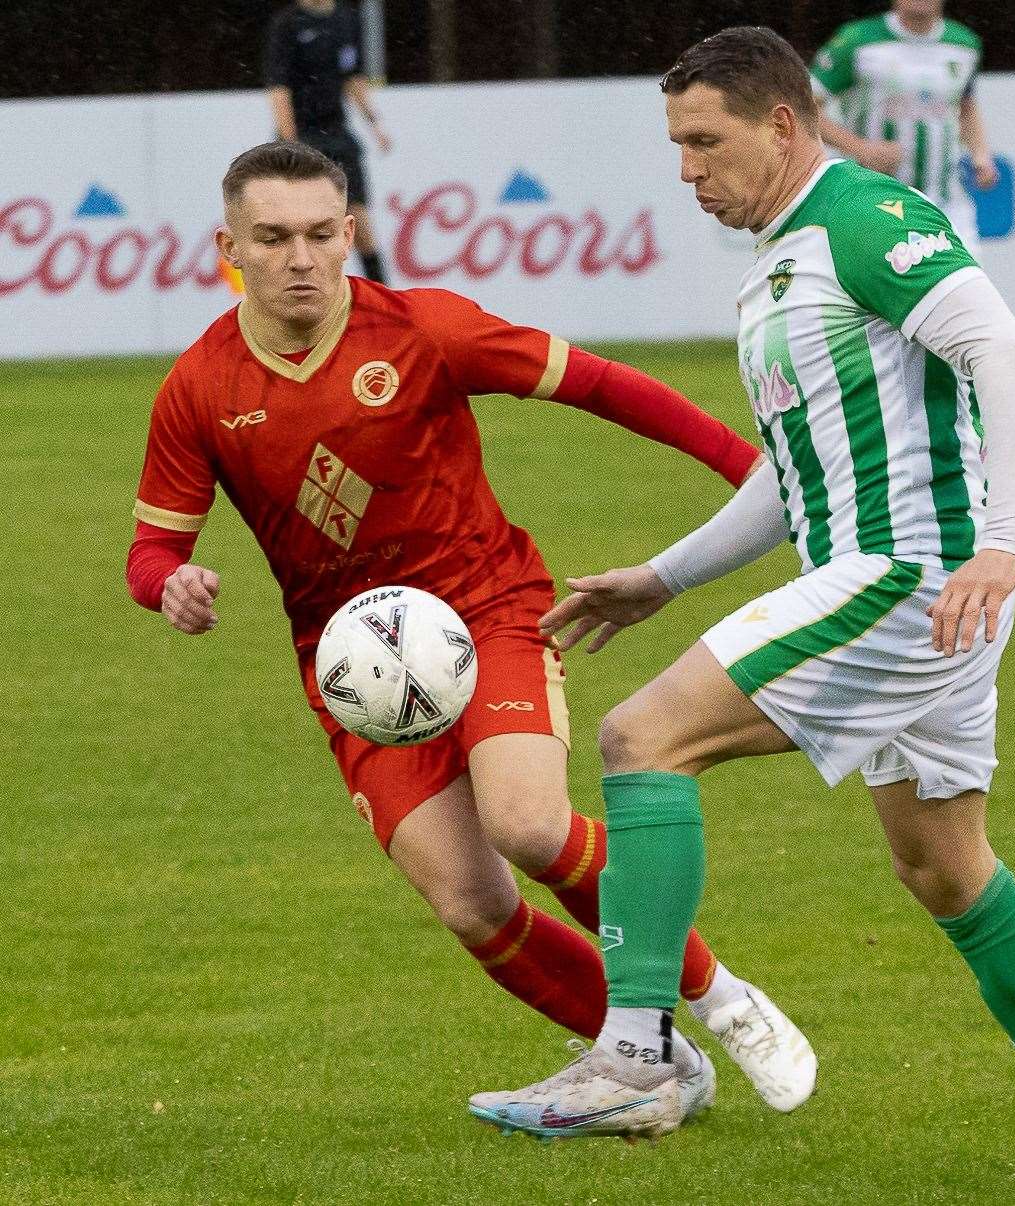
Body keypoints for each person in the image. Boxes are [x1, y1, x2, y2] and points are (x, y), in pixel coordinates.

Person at [468, 27, 1015, 1176]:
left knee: (642, 739)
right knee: (942, 866)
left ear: (782, 125)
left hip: (904, 576)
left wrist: (1004, 545)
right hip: (904, 588)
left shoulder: (864, 221)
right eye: (675, 144)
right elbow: (788, 478)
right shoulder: (781, 264)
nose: (686, 169)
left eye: (705, 141)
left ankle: (633, 1057)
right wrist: (663, 577)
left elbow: (1003, 353)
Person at [125, 140, 819, 1119]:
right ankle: (648, 1067)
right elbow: (149, 552)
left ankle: (720, 1000)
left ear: (349, 234)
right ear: (228, 246)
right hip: (354, 669)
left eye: (321, 234)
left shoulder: (422, 331)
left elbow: (601, 384)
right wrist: (172, 587)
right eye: (272, 238)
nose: (300, 258)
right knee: (469, 901)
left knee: (528, 823)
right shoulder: (199, 387)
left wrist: (752, 471)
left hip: (483, 610)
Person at [809, 0, 997, 258]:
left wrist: (980, 155)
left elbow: (966, 105)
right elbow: (806, 107)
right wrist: (860, 148)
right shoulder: (858, 40)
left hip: (945, 203)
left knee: (967, 292)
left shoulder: (964, 43)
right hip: (873, 202)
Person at [265, 0, 392, 284]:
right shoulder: (287, 24)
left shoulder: (346, 20)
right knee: (301, 223)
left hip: (337, 134)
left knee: (359, 219)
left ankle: (386, 299)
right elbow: (279, 87)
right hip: (303, 136)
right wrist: (290, 143)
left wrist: (374, 124)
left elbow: (352, 77)